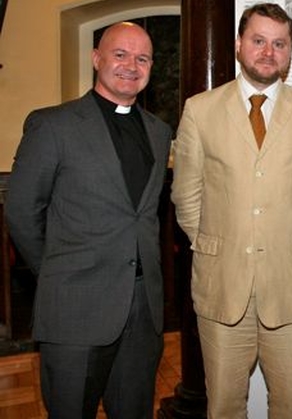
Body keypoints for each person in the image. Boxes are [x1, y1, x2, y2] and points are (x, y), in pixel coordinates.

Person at [171, 2, 292, 418]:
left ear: (290, 51)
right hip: (223, 287)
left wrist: (288, 246)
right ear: (238, 45)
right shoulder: (200, 110)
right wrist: (215, 246)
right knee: (224, 406)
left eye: (278, 43)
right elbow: (186, 197)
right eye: (258, 41)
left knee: (290, 405)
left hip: (289, 288)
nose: (268, 52)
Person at [6, 21, 173, 419]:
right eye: (120, 54)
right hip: (74, 308)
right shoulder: (53, 125)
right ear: (96, 58)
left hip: (142, 309)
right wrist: (57, 273)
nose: (131, 65)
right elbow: (22, 210)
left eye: (142, 58)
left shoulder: (159, 131)